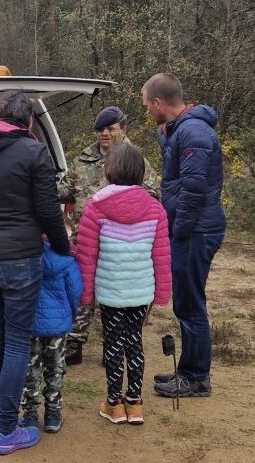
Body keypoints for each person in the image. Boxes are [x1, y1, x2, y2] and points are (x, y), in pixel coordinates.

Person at [0, 91, 69, 455]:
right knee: (17, 342)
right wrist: (63, 247)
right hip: (21, 259)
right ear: (29, 122)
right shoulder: (34, 152)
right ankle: (8, 430)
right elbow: (49, 210)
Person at [141, 73, 226, 398]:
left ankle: (195, 377)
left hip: (196, 230)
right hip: (192, 228)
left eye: (148, 105)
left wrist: (177, 231)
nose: (147, 111)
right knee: (187, 302)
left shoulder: (192, 132)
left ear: (160, 102)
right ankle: (189, 370)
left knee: (190, 304)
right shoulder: (182, 131)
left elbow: (192, 191)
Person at [75, 144, 171, 424]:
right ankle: (135, 403)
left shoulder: (95, 207)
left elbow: (86, 255)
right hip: (141, 291)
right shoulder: (156, 209)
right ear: (141, 173)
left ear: (108, 170)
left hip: (110, 291)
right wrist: (162, 294)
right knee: (135, 343)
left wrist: (86, 293)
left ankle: (114, 404)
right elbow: (162, 256)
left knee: (113, 345)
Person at [58, 106, 161, 365]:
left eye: (110, 129)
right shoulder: (83, 159)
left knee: (115, 293)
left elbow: (152, 196)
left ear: (123, 129)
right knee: (80, 289)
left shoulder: (135, 159)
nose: (104, 134)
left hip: (120, 240)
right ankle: (74, 341)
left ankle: (112, 345)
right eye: (100, 129)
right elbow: (64, 190)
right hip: (85, 237)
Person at [20, 239, 82, 433]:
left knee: (31, 369)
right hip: (58, 323)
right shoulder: (66, 259)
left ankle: (30, 415)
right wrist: (69, 315)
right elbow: (75, 291)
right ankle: (53, 415)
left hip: (30, 322)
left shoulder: (23, 256)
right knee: (55, 368)